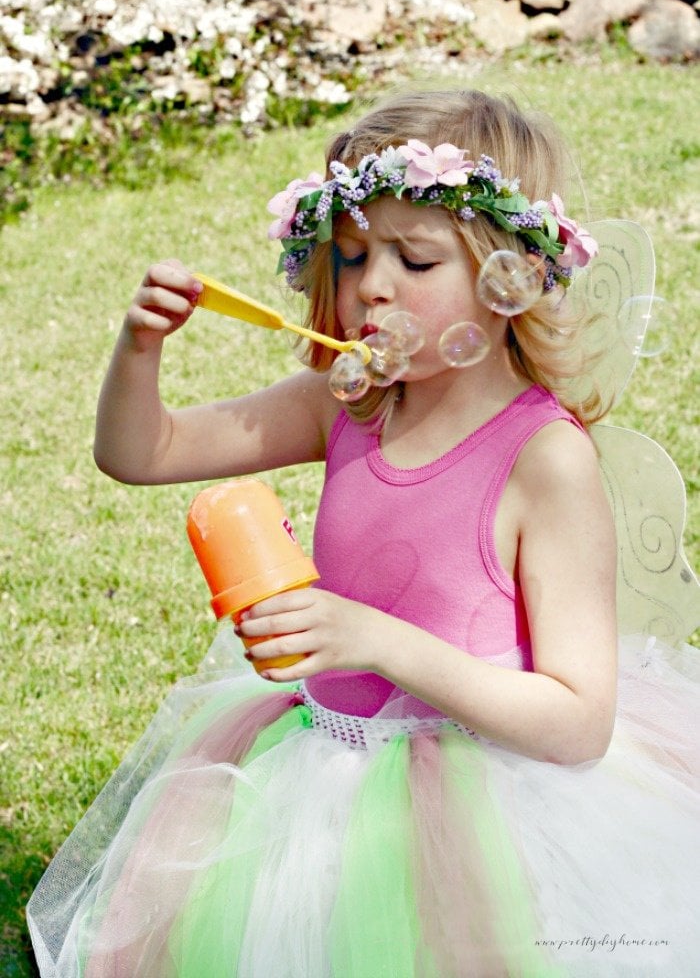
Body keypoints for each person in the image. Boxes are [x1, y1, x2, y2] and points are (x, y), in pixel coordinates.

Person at [27, 89, 699, 977]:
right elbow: (141, 453)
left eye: (414, 259)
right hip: (317, 774)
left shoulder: (544, 460)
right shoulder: (344, 408)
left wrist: (376, 638)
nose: (371, 286)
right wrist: (141, 347)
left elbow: (576, 722)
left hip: (484, 803)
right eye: (349, 256)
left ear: (514, 276)